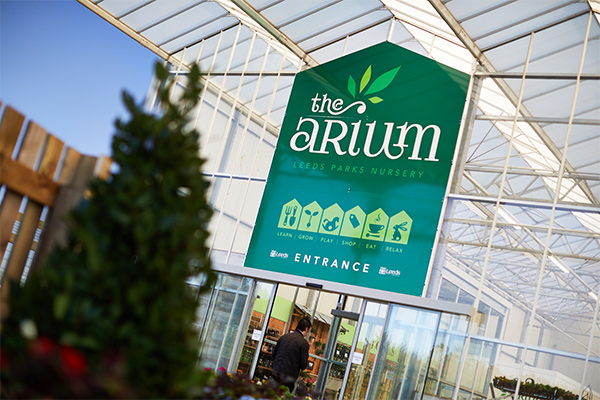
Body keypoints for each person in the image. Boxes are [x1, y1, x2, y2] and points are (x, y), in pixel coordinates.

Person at [271, 317, 312, 393]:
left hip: (276, 371)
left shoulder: (284, 337)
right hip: (289, 376)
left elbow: (273, 354)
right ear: (306, 329)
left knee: (272, 394)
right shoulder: (303, 343)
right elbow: (303, 364)